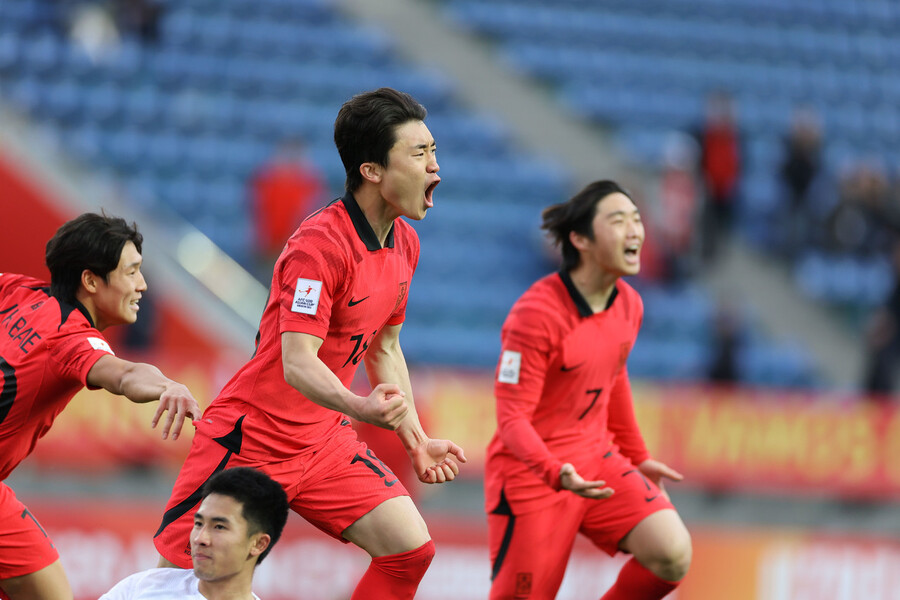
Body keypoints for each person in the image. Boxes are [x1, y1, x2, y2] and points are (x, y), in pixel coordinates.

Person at [154, 87, 466, 600]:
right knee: (173, 583)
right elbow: (297, 363)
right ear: (372, 171)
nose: (435, 168)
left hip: (323, 443)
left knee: (409, 551)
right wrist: (359, 406)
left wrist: (416, 440)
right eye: (419, 154)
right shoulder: (318, 247)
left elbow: (385, 349)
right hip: (249, 440)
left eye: (433, 152)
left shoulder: (404, 242)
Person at [485, 180, 692, 599]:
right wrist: (552, 471)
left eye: (637, 219)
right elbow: (510, 419)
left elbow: (613, 377)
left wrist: (638, 458)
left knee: (672, 554)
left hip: (597, 458)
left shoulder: (629, 303)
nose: (635, 230)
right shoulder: (535, 314)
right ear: (580, 239)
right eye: (619, 221)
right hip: (532, 474)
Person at [0, 212, 201, 600]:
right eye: (131, 272)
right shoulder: (71, 339)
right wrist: (168, 386)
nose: (142, 285)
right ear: (91, 281)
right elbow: (123, 375)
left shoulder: (17, 292)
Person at [101, 467, 288, 600]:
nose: (200, 539)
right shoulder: (142, 587)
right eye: (198, 523)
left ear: (259, 544)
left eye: (219, 527)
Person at [249, 137, 327, 280]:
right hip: (271, 247)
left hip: (297, 248)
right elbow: (259, 213)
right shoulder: (269, 180)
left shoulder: (309, 183)